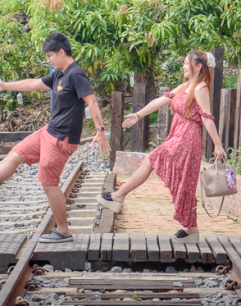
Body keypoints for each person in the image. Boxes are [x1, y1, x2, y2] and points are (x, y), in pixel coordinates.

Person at [0, 32, 110, 243]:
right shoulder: (59, 74)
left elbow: (92, 102)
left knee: (49, 183)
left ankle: (63, 231)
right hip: (48, 131)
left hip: (61, 139)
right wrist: (5, 86)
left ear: (61, 52)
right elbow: (34, 83)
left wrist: (100, 131)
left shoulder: (76, 74)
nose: (48, 60)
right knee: (16, 154)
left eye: (50, 55)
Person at [97, 50, 226, 244]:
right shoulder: (186, 86)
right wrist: (138, 115)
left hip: (187, 139)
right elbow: (162, 100)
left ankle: (118, 196)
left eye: (186, 63)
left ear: (199, 66)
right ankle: (192, 230)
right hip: (179, 135)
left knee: (153, 160)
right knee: (184, 182)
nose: (183, 66)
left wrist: (217, 145)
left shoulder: (200, 88)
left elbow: (207, 118)